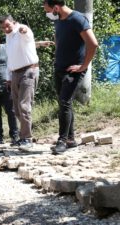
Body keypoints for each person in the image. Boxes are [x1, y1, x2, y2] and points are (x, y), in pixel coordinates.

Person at [43, 0, 98, 154]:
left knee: (65, 102)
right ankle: (71, 139)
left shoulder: (77, 18)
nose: (46, 12)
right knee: (63, 103)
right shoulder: (59, 20)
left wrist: (83, 66)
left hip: (73, 70)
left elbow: (93, 44)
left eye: (47, 9)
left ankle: (62, 141)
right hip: (59, 68)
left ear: (56, 7)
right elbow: (60, 39)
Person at [0, 15, 39, 150]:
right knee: (16, 108)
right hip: (15, 73)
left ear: (13, 22)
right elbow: (10, 58)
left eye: (8, 25)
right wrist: (9, 77)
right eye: (3, 27)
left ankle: (27, 139)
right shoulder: (8, 36)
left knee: (24, 106)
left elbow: (26, 33)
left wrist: (24, 30)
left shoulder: (21, 30)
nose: (6, 28)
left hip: (28, 70)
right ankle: (23, 136)